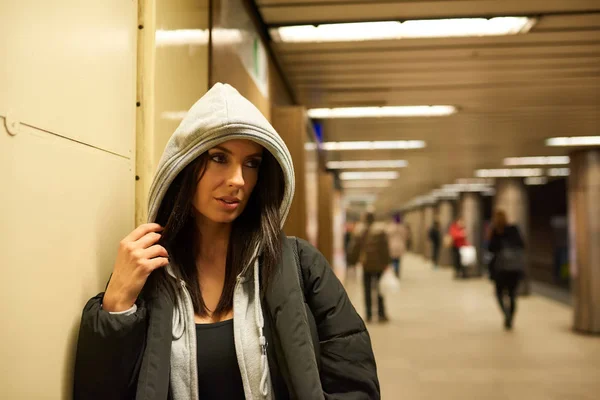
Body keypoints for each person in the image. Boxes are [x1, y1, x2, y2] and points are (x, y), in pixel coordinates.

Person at [73, 83, 380, 399]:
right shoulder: (148, 272)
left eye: (252, 163)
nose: (238, 180)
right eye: (219, 157)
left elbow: (354, 384)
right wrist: (115, 309)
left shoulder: (300, 266)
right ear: (184, 164)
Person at [347, 212, 391, 323]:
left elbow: (355, 248)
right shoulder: (380, 232)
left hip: (366, 265)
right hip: (379, 266)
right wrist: (387, 263)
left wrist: (352, 262)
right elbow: (385, 249)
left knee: (367, 290)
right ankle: (381, 314)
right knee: (379, 290)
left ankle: (369, 315)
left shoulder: (361, 232)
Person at [488, 210, 525, 330]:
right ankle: (511, 318)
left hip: (501, 268)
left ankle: (506, 315)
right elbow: (522, 245)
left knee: (499, 294)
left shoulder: (495, 231)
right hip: (514, 268)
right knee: (512, 294)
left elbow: (490, 249)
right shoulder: (513, 229)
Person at [386, 213, 406, 278]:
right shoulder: (402, 228)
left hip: (392, 245)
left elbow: (387, 236)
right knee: (398, 260)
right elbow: (405, 237)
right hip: (400, 245)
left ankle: (394, 271)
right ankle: (397, 271)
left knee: (393, 260)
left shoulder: (390, 227)